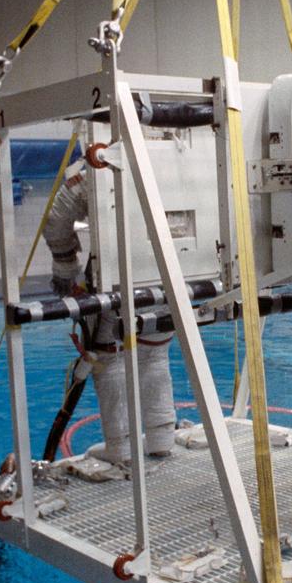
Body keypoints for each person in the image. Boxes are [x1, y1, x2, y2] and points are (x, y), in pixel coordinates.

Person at [42, 160, 176, 464]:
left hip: (115, 276)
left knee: (109, 359)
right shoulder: (178, 160)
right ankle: (161, 438)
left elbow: (55, 219)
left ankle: (121, 446)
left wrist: (66, 272)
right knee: (155, 356)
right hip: (174, 272)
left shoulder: (99, 165)